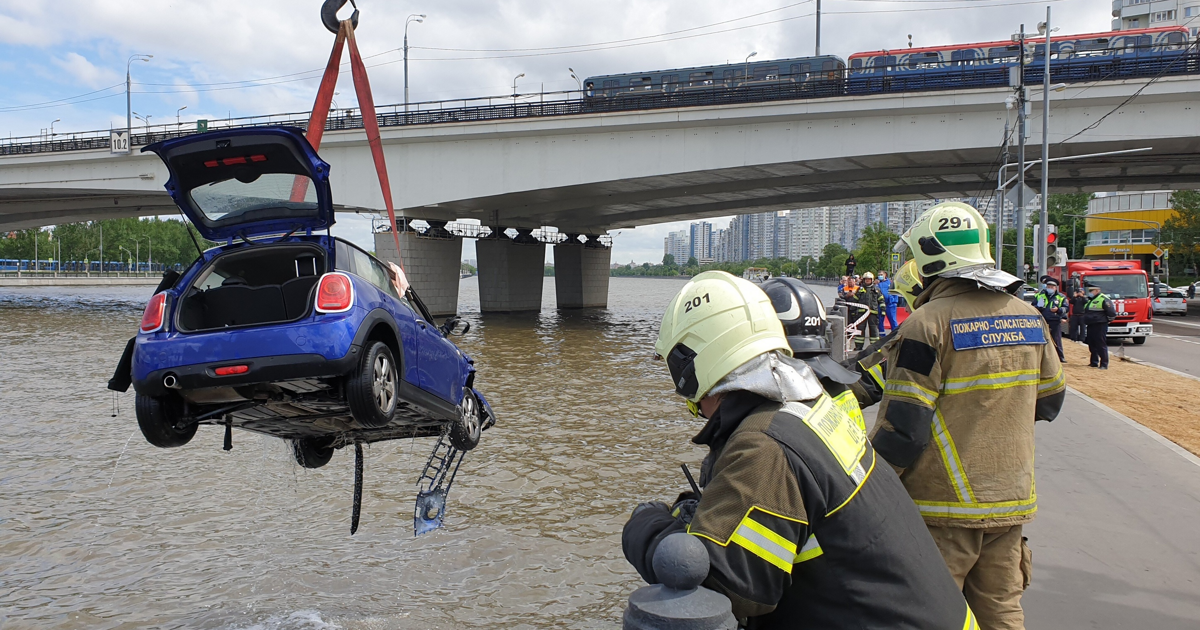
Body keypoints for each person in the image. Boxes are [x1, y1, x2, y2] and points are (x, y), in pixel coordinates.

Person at [623, 270, 976, 629]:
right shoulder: (811, 411)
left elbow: (725, 582)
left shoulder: (763, 444)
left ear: (690, 366)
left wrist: (647, 528)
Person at [873, 201, 1065, 630]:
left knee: (933, 614)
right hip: (1011, 500)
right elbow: (1051, 399)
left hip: (942, 508)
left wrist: (871, 488)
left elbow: (903, 429)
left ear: (929, 254)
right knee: (1001, 612)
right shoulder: (1029, 315)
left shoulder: (927, 324)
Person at [1033, 278, 1068, 362]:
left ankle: (1060, 357)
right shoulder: (1039, 295)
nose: (1050, 288)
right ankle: (1041, 358)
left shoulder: (1061, 297)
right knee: (1041, 338)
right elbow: (1033, 305)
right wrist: (1038, 307)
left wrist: (1058, 310)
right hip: (1042, 319)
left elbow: (1066, 308)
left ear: (1056, 288)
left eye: (1052, 287)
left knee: (1056, 340)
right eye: (1048, 286)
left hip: (1054, 320)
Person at [1083, 282, 1116, 369]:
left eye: (1091, 290)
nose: (1090, 292)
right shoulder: (1090, 299)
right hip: (1091, 324)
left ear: (1097, 290)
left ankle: (1104, 364)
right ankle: (1094, 362)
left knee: (1100, 344)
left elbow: (1112, 313)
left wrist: (1106, 321)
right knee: (1092, 344)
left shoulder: (1104, 299)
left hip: (1100, 325)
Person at [853, 271, 885, 349]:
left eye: (869, 279)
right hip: (861, 313)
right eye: (866, 279)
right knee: (860, 330)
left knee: (874, 330)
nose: (867, 280)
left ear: (872, 280)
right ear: (863, 280)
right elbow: (855, 300)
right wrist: (853, 311)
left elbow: (881, 300)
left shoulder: (876, 289)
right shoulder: (860, 289)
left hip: (873, 313)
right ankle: (858, 347)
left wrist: (883, 310)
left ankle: (875, 347)